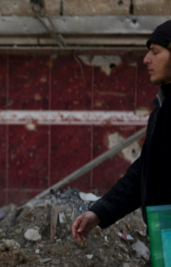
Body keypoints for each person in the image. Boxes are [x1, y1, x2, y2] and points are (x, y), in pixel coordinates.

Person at [72, 20, 171, 253]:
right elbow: (145, 171)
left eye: (155, 52)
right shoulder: (162, 112)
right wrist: (100, 211)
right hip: (164, 231)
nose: (146, 59)